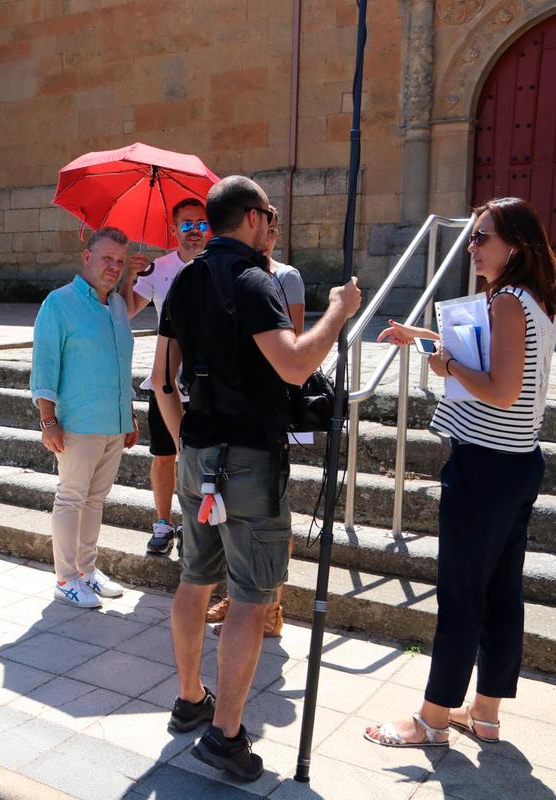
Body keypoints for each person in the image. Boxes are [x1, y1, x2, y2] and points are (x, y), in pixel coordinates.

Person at [154, 175, 360, 780]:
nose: (273, 224)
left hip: (196, 454)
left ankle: (191, 698)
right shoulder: (255, 281)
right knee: (250, 596)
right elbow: (295, 365)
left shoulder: (187, 277)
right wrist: (339, 313)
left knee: (195, 579)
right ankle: (224, 736)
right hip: (249, 460)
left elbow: (164, 377)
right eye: (269, 214)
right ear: (249, 218)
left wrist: (189, 433)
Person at [364, 197, 556, 749]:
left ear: (514, 245)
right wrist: (423, 338)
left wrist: (444, 366)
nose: (470, 246)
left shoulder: (507, 303)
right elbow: (497, 362)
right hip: (517, 463)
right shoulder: (532, 299)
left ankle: (432, 719)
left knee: (461, 594)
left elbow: (500, 388)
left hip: (484, 466)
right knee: (500, 592)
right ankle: (486, 713)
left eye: (481, 237)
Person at [206, 203, 303, 637]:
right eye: (264, 220)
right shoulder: (229, 273)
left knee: (271, 517)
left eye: (273, 224)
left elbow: (294, 346)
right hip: (235, 416)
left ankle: (272, 606)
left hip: (272, 412)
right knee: (237, 519)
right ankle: (240, 596)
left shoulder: (284, 276)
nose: (267, 230)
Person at [31, 227, 140, 609]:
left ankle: (87, 571)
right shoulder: (58, 303)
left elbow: (120, 364)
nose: (114, 267)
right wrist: (48, 420)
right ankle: (65, 578)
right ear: (87, 258)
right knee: (71, 498)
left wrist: (128, 413)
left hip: (112, 421)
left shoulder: (116, 306)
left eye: (120, 262)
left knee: (96, 500)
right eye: (107, 258)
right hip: (76, 422)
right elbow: (45, 364)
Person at [121, 198, 211, 557]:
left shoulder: (222, 267)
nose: (194, 231)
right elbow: (127, 310)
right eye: (186, 224)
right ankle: (162, 522)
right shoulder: (158, 268)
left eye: (202, 224)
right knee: (164, 455)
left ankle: (196, 524)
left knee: (203, 458)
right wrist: (131, 276)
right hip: (166, 381)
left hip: (208, 382)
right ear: (174, 229)